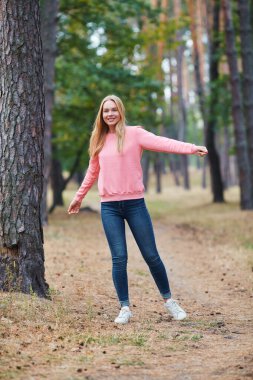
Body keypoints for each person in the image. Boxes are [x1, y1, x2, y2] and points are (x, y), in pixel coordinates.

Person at [68, 94, 208, 325]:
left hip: (135, 205)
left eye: (114, 109)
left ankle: (170, 302)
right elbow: (92, 172)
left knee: (151, 255)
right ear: (101, 115)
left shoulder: (136, 134)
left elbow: (165, 143)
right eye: (106, 111)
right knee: (119, 257)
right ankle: (124, 307)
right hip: (109, 207)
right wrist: (78, 197)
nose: (110, 114)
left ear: (120, 111)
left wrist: (192, 149)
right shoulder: (99, 139)